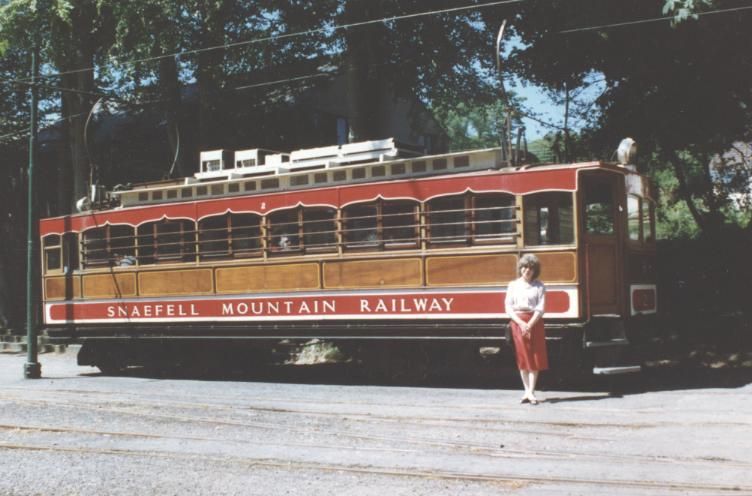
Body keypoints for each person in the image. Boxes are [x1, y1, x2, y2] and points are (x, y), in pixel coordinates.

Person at [504, 254, 548, 405]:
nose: (527, 270)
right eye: (524, 267)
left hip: (534, 322)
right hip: (518, 322)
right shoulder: (512, 285)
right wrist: (521, 324)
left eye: (530, 268)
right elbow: (508, 308)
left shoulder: (540, 286)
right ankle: (526, 391)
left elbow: (540, 308)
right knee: (523, 357)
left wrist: (529, 324)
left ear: (535, 270)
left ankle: (531, 392)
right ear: (520, 268)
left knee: (534, 357)